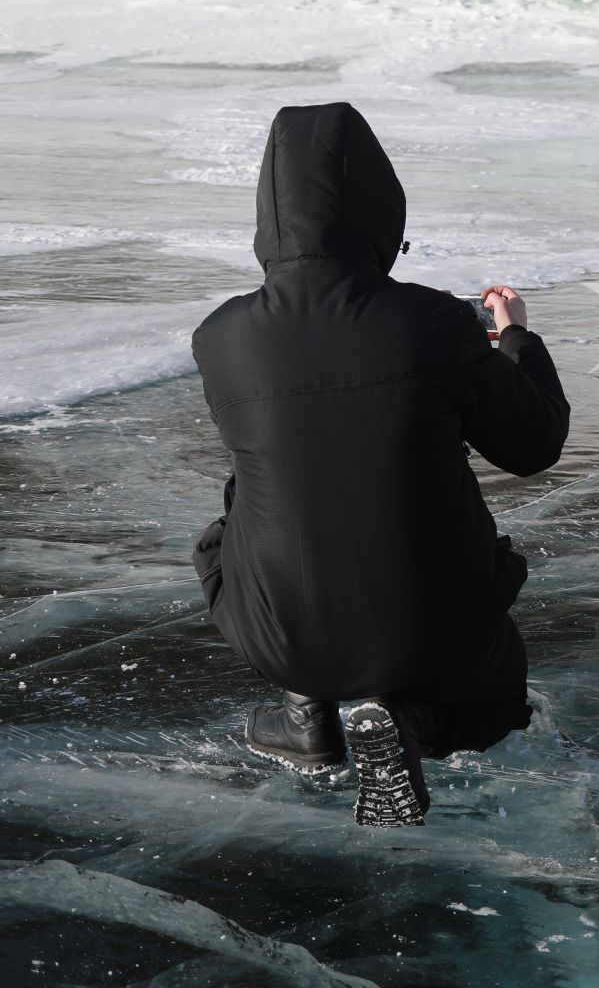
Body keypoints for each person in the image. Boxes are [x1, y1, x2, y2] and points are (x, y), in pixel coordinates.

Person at [190, 102, 570, 827]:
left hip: (283, 634)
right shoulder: (432, 322)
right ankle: (416, 721)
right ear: (379, 207)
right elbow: (534, 446)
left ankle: (310, 717)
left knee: (254, 500)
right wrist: (515, 341)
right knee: (495, 704)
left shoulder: (220, 336)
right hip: (432, 629)